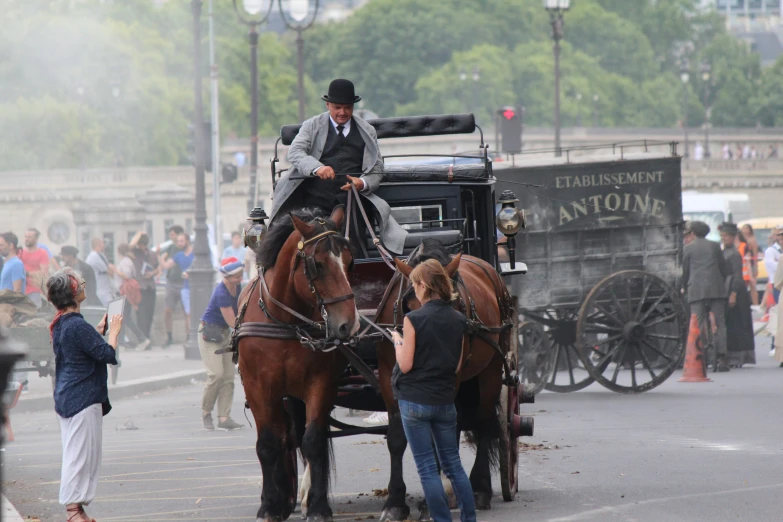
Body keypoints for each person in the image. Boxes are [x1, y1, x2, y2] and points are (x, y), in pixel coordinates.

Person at [269, 78, 407, 255]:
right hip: (314, 200)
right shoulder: (312, 126)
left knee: (354, 243)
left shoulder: (367, 130)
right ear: (328, 105)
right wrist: (318, 168)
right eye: (337, 107)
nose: (342, 112)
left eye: (347, 108)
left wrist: (362, 183)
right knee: (302, 240)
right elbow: (295, 152)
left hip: (352, 202)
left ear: (353, 107)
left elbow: (377, 166)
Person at [389, 259, 476, 522]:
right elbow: (457, 365)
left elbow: (405, 365)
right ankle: (469, 518)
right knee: (454, 465)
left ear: (425, 286)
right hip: (445, 402)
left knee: (427, 468)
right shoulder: (459, 320)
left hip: (414, 402)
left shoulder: (412, 319)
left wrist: (397, 342)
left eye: (415, 284)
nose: (414, 290)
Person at [46, 268, 122, 522]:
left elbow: (84, 349)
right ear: (74, 293)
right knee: (79, 458)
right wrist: (114, 332)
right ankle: (72, 512)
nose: (83, 284)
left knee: (78, 455)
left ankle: (77, 509)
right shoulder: (77, 325)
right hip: (82, 398)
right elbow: (107, 355)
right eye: (80, 283)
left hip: (69, 396)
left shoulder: (62, 323)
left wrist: (98, 332)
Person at [198, 257, 244, 431]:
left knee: (228, 378)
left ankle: (224, 417)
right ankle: (206, 412)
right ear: (226, 276)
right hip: (209, 335)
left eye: (241, 274)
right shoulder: (221, 293)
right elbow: (234, 322)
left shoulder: (237, 287)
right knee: (216, 375)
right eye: (236, 276)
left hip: (224, 335)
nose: (240, 278)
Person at [681, 221, 731, 372]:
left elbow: (685, 270)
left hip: (696, 290)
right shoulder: (714, 246)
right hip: (716, 288)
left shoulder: (688, 248)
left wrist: (684, 286)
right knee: (720, 322)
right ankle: (722, 358)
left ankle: (700, 356)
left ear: (693, 233)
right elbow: (723, 267)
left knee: (697, 323)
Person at [719, 223, 756, 368]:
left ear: (733, 237)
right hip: (729, 289)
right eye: (722, 236)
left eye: (726, 236)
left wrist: (733, 294)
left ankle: (737, 358)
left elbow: (738, 276)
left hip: (736, 292)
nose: (724, 238)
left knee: (737, 325)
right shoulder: (726, 251)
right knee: (733, 325)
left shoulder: (734, 254)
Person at [112, 243, 150, 351]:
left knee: (125, 318)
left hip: (125, 293)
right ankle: (123, 343)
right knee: (123, 318)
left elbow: (127, 276)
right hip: (124, 292)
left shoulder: (126, 262)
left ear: (119, 252)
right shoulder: (127, 261)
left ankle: (141, 339)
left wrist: (115, 270)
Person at [162, 233, 194, 342]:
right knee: (187, 313)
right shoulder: (179, 255)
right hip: (185, 287)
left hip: (194, 287)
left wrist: (191, 274)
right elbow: (166, 266)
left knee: (189, 313)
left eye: (181, 241)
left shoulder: (195, 254)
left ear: (187, 241)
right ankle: (188, 337)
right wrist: (159, 256)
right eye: (178, 241)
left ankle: (190, 337)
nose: (179, 243)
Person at [129, 232, 159, 339]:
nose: (140, 246)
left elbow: (157, 268)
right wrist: (139, 234)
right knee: (141, 314)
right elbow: (130, 246)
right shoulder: (135, 253)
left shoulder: (152, 254)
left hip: (150, 287)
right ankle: (143, 338)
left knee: (149, 314)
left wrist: (152, 274)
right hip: (140, 287)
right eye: (139, 244)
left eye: (142, 244)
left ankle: (147, 336)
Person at [160, 225, 185, 347]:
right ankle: (169, 336)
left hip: (183, 283)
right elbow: (163, 259)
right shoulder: (170, 248)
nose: (171, 237)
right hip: (171, 282)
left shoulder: (186, 249)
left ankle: (189, 336)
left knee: (187, 311)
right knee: (167, 310)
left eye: (173, 234)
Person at [19, 228, 50, 307]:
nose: (27, 239)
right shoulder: (20, 252)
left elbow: (43, 273)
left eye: (29, 237)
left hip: (35, 290)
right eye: (26, 236)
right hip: (21, 289)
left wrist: (27, 273)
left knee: (34, 313)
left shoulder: (42, 253)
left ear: (36, 238)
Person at [85, 238, 115, 307]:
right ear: (99, 245)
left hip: (106, 288)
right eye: (103, 243)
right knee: (108, 309)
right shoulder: (94, 256)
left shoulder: (101, 255)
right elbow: (108, 271)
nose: (104, 245)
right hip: (100, 289)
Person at [740, 224, 760, 305]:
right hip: (744, 264)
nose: (744, 230)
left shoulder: (752, 240)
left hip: (751, 263)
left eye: (746, 228)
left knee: (752, 285)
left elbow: (755, 254)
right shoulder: (741, 240)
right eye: (743, 228)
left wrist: (755, 266)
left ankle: (755, 303)